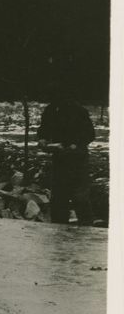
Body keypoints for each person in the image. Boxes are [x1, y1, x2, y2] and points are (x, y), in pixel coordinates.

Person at [37, 94, 95, 225]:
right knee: (59, 197)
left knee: (80, 197)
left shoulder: (78, 110)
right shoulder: (50, 110)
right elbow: (43, 129)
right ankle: (59, 228)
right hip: (60, 158)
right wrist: (42, 139)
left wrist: (75, 145)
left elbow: (90, 134)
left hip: (78, 158)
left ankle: (87, 229)